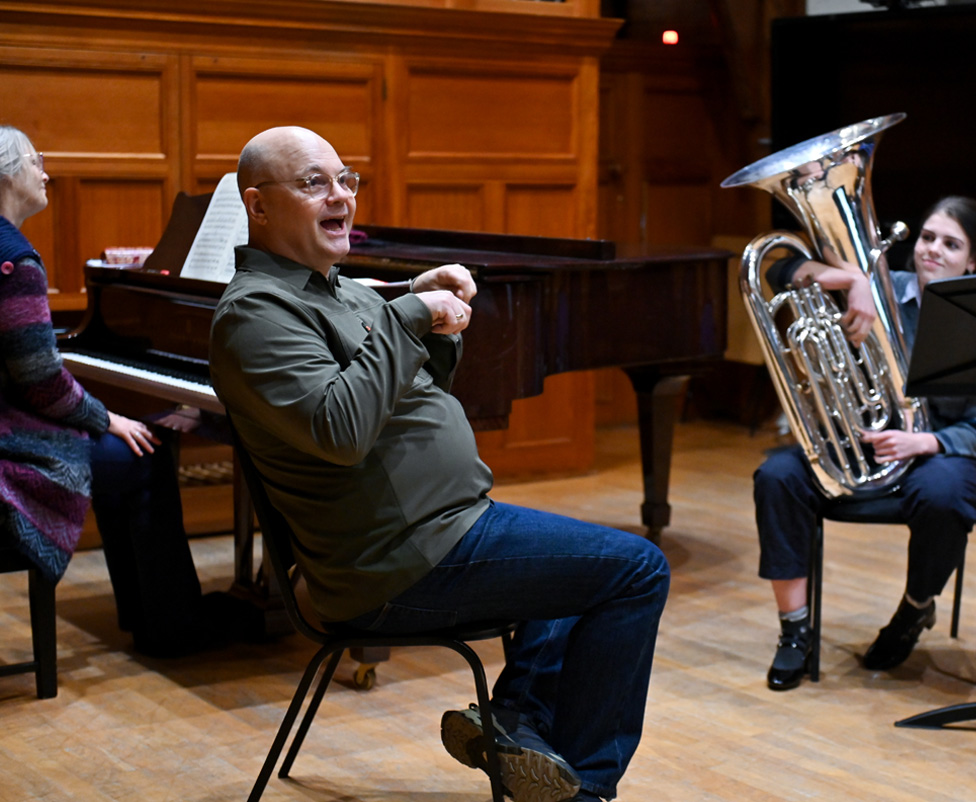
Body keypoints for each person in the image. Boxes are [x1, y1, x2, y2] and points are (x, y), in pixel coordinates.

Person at [209, 126, 670, 802]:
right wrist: (409, 316)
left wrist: (424, 308)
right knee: (635, 570)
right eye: (314, 184)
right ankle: (586, 786)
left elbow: (408, 387)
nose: (339, 196)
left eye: (346, 180)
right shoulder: (255, 314)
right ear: (259, 205)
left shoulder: (331, 289)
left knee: (583, 562)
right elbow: (341, 431)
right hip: (394, 564)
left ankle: (515, 723)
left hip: (444, 532)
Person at [0, 125, 241, 658]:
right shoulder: (16, 261)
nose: (46, 173)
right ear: (9, 175)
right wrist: (106, 418)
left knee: (125, 445)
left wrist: (99, 417)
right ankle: (173, 626)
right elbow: (42, 383)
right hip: (9, 453)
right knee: (143, 451)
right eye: (36, 162)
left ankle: (145, 613)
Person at [755, 195, 976, 691]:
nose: (932, 250)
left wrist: (923, 443)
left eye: (950, 245)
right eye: (928, 237)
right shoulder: (879, 290)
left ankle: (913, 612)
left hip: (935, 454)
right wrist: (850, 280)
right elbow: (778, 270)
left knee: (946, 495)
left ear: (973, 261)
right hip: (859, 445)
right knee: (776, 476)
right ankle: (795, 631)